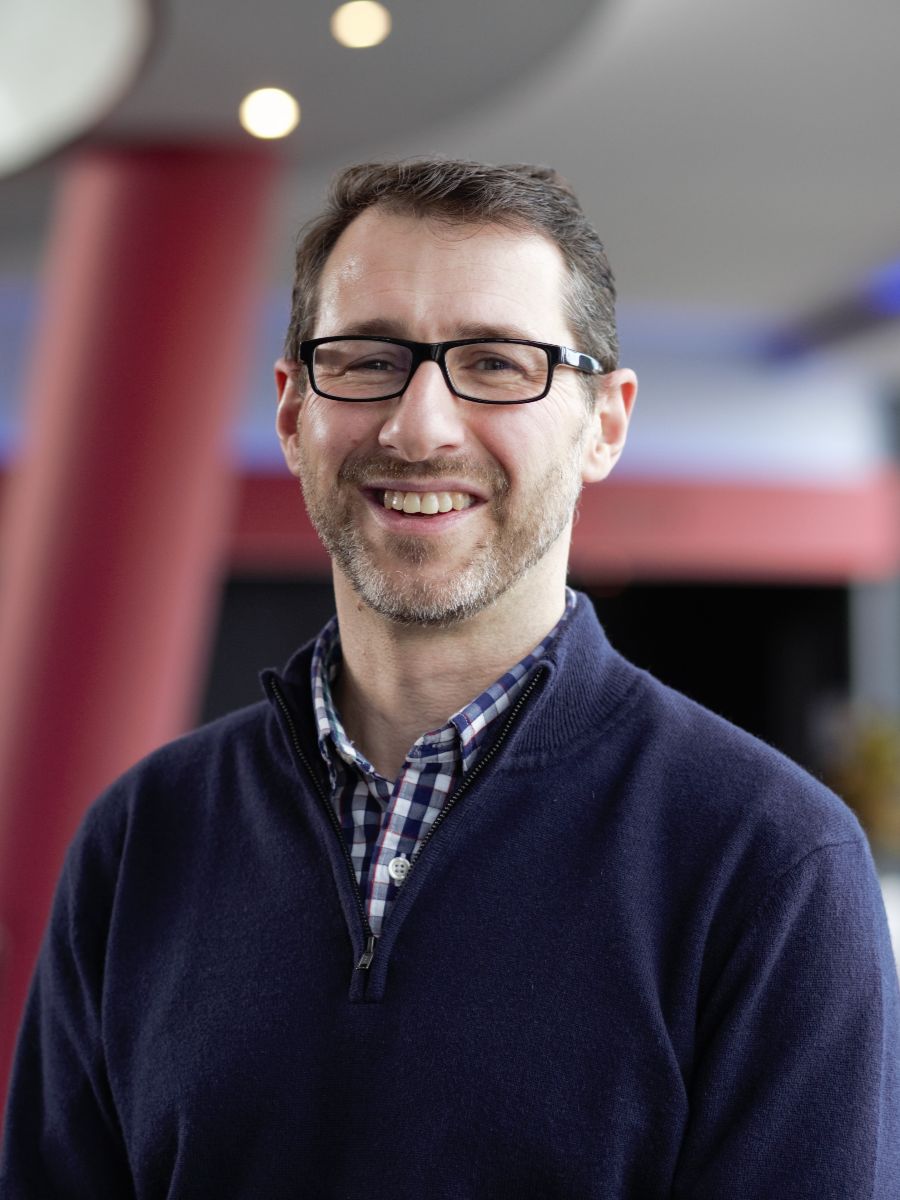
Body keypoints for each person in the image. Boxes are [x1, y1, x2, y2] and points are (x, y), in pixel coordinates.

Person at [2, 158, 898, 1199]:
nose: (419, 428)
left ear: (604, 422)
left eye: (499, 363)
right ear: (293, 412)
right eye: (369, 358)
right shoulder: (141, 839)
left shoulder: (771, 863)